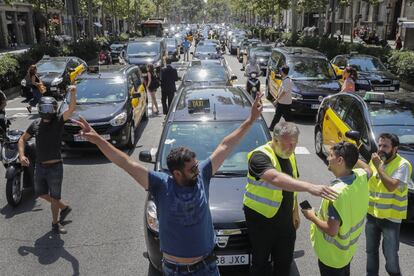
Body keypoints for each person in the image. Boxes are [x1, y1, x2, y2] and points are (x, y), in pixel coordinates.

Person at [73, 93, 264, 276]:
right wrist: (98, 139)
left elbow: (225, 145)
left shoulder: (203, 174)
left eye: (196, 166)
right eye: (192, 169)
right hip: (175, 271)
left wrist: (251, 119)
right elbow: (125, 162)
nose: (197, 170)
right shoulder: (160, 184)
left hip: (206, 268)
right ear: (176, 173)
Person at [244, 122, 338, 276]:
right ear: (274, 140)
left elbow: (292, 184)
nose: (290, 149)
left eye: (293, 145)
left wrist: (295, 211)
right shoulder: (259, 156)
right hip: (261, 220)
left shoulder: (290, 154)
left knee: (285, 261)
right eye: (286, 144)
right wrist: (309, 187)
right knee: (260, 263)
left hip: (285, 219)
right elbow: (275, 178)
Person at [302, 142, 371, 276]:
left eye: (331, 155)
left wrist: (311, 216)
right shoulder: (361, 176)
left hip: (332, 257)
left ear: (340, 160)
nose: (327, 158)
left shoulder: (335, 194)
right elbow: (369, 169)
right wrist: (353, 155)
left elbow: (331, 231)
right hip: (347, 253)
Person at [18, 86, 78, 234]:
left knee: (55, 196)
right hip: (40, 166)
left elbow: (71, 109)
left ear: (54, 109)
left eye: (49, 108)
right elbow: (22, 139)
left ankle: (55, 223)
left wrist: (73, 93)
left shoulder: (58, 121)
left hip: (55, 167)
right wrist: (21, 155)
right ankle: (64, 207)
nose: (46, 111)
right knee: (41, 193)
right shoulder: (35, 124)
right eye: (43, 107)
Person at [366, 133, 412, 276]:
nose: (381, 149)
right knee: (370, 251)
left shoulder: (403, 165)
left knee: (390, 255)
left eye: (385, 146)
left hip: (391, 219)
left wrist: (379, 166)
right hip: (373, 215)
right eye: (379, 145)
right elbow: (369, 175)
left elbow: (391, 186)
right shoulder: (377, 161)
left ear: (395, 148)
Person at [269, 66, 293, 131]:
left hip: (285, 103)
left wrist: (277, 100)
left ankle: (291, 129)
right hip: (282, 102)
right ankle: (272, 127)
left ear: (283, 72)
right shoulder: (284, 79)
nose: (280, 72)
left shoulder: (287, 81)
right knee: (277, 116)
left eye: (281, 71)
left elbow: (284, 92)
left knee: (287, 118)